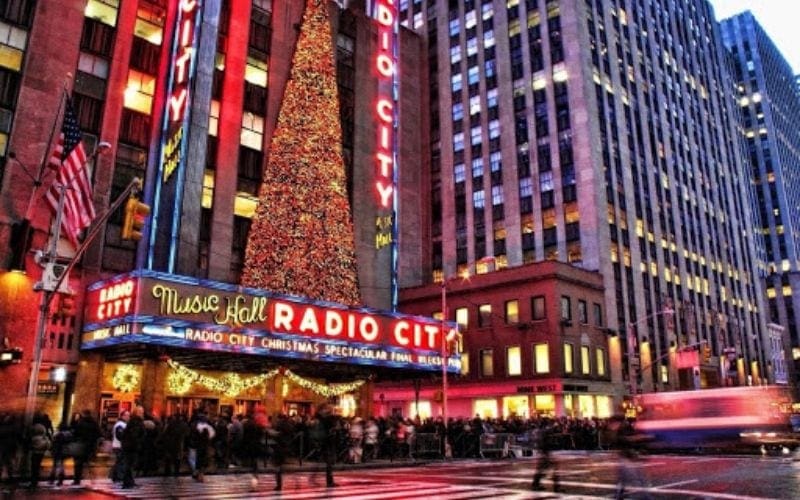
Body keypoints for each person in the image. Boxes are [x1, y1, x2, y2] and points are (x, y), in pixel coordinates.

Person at [71, 409, 101, 486]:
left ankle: (77, 480)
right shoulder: (94, 423)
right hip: (91, 446)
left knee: (78, 464)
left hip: (81, 445)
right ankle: (92, 478)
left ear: (83, 414)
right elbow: (99, 433)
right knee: (89, 463)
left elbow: (75, 434)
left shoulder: (80, 423)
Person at [120, 406, 146, 489]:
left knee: (129, 464)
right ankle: (128, 483)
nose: (142, 413)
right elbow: (134, 435)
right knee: (130, 464)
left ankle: (129, 482)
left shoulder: (133, 421)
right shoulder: (136, 422)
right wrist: (138, 442)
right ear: (136, 412)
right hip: (132, 447)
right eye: (140, 412)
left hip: (129, 446)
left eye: (142, 411)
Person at [532, 420, 559, 492]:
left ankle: (535, 484)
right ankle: (556, 486)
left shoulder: (539, 432)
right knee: (552, 468)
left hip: (543, 452)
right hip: (545, 452)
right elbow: (545, 442)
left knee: (541, 469)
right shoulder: (544, 432)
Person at [316, 403, 339, 488]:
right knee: (329, 463)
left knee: (329, 463)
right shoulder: (326, 419)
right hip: (327, 442)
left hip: (327, 442)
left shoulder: (323, 419)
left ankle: (330, 481)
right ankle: (329, 481)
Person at [270, 413, 294, 491]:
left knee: (277, 466)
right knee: (278, 466)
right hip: (285, 446)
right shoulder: (289, 425)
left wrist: (271, 432)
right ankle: (279, 484)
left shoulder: (280, 425)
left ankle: (278, 485)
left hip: (279, 447)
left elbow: (277, 434)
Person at [26, 421, 50, 490]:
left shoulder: (34, 438)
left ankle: (33, 481)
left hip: (35, 453)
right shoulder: (44, 438)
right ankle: (35, 480)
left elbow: (30, 445)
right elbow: (48, 445)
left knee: (34, 467)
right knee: (37, 466)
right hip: (41, 453)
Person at [109, 410, 129, 483]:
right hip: (119, 446)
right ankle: (118, 477)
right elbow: (119, 435)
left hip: (118, 445)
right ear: (122, 416)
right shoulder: (120, 425)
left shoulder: (121, 424)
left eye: (128, 415)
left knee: (119, 461)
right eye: (126, 415)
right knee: (121, 462)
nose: (128, 417)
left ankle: (116, 476)